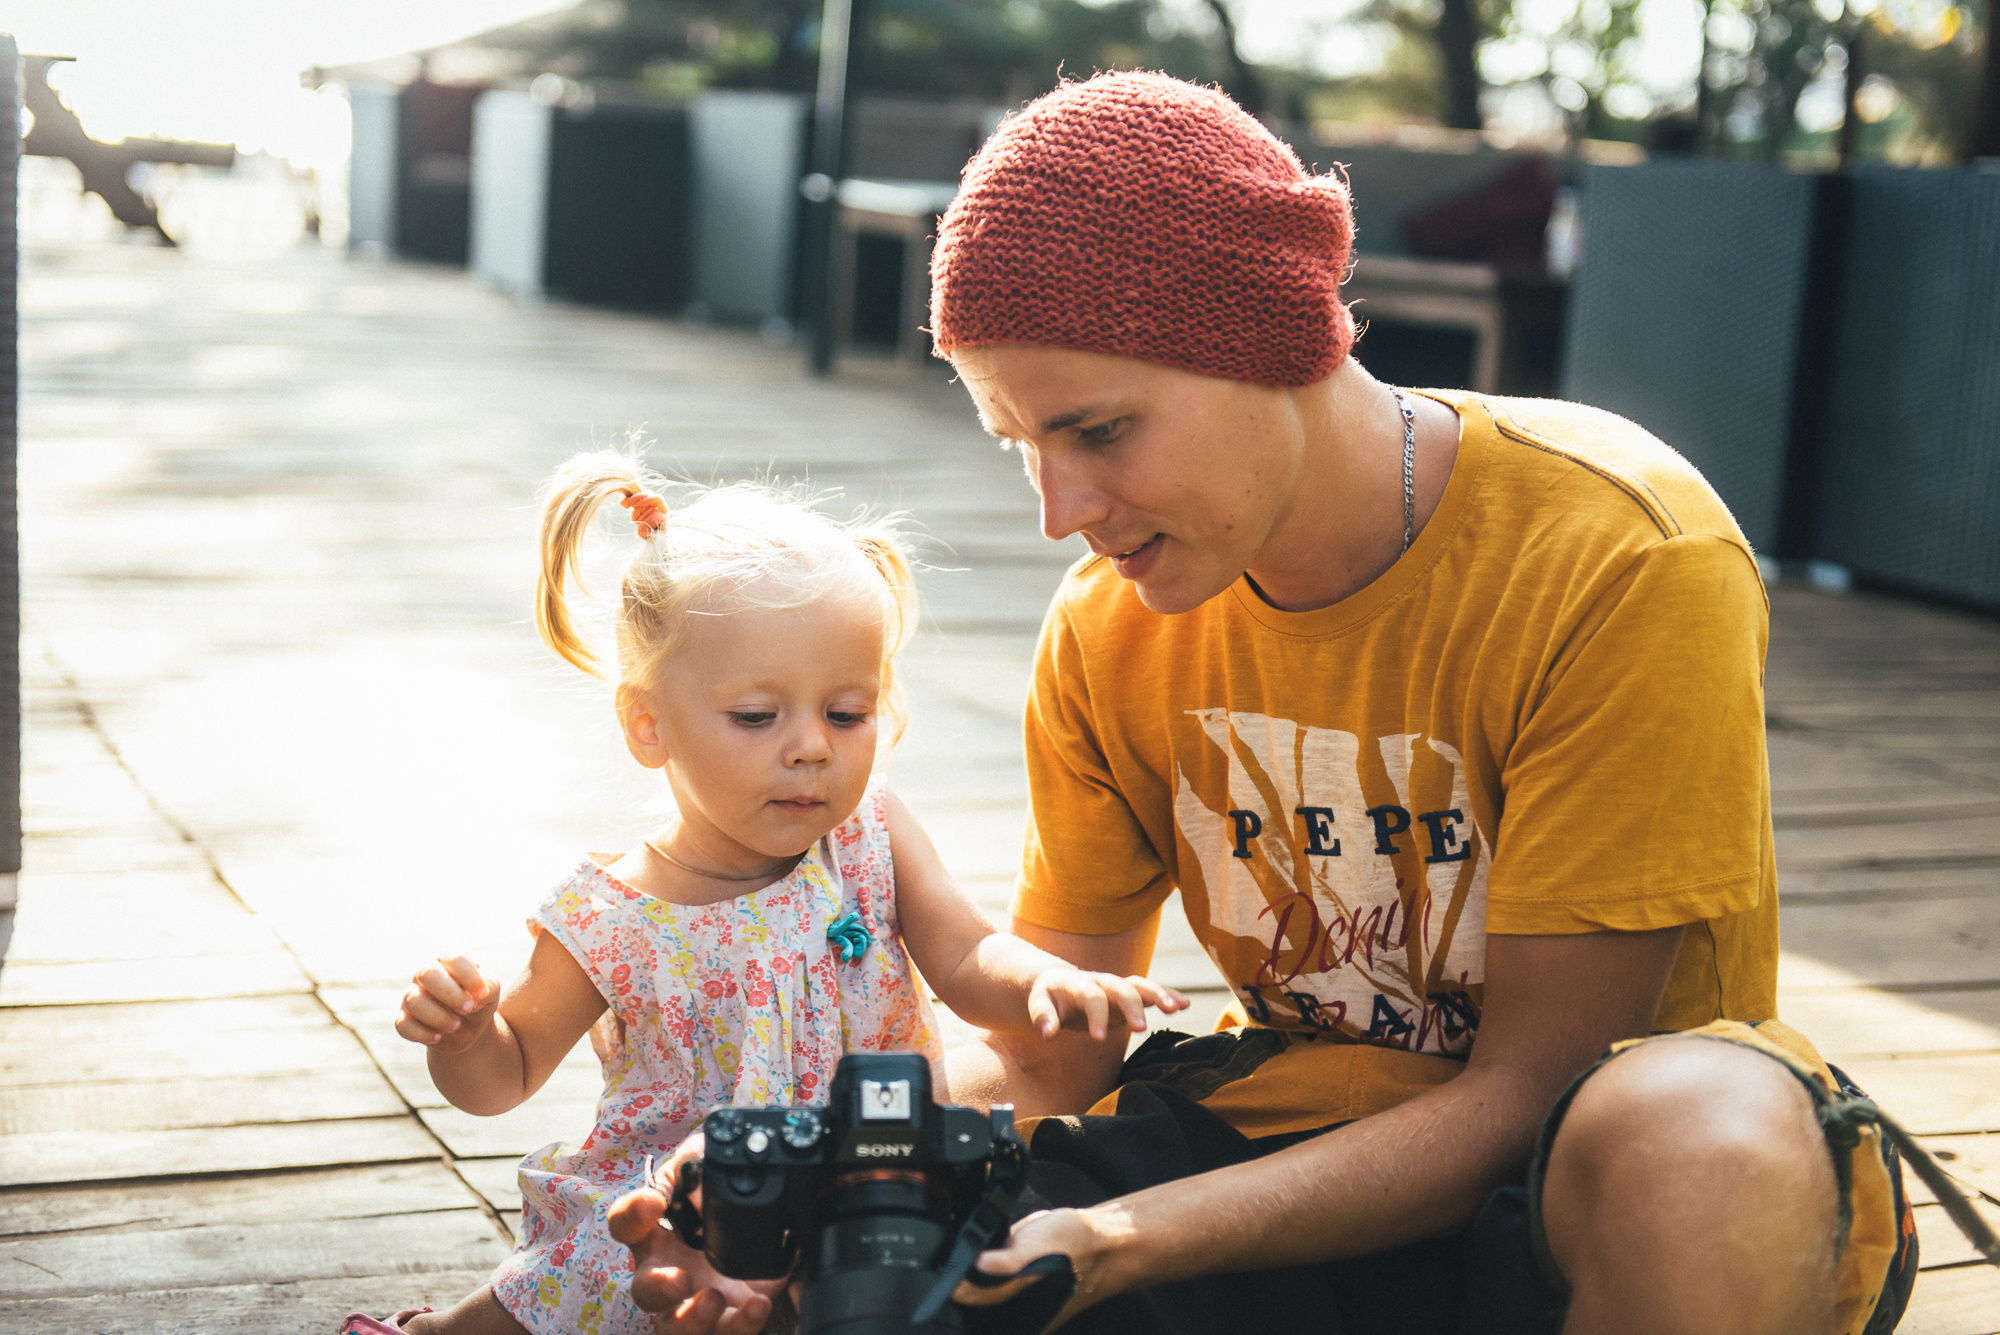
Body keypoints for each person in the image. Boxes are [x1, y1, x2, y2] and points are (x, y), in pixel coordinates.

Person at [617, 72, 1923, 1335]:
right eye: (1020, 447)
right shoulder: (1110, 627)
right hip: (1264, 1151)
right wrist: (818, 1179)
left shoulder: (1617, 549)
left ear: (1272, 341)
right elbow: (1048, 1053)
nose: (1058, 514)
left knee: (1700, 1134)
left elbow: (1532, 1089)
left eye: (1099, 431)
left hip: (1569, 1190)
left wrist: (1125, 1242)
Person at [338, 451, 1189, 1335]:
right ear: (647, 723)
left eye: (846, 713)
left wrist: (1048, 980)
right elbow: (503, 1075)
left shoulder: (867, 836)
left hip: (861, 1174)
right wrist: (468, 1032)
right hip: (690, 1205)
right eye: (757, 716)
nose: (811, 747)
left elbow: (968, 953)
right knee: (592, 1271)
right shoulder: (612, 914)